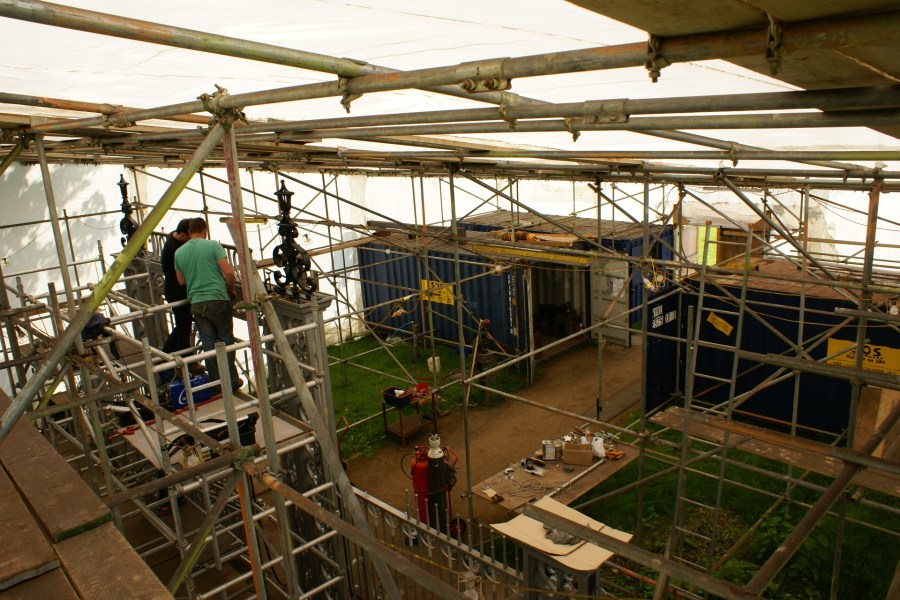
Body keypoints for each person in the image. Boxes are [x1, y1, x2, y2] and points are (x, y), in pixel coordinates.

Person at [174, 218, 242, 391]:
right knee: (226, 340)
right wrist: (231, 289)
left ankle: (216, 383)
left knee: (208, 344)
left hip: (196, 302)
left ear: (189, 232)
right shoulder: (213, 246)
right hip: (217, 298)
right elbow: (229, 273)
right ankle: (232, 381)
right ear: (204, 230)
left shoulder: (179, 252)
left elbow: (181, 281)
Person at [160, 219, 192, 358]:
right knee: (184, 326)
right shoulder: (174, 250)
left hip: (173, 290)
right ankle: (186, 358)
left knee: (183, 324)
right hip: (177, 291)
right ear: (183, 235)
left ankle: (166, 354)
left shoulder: (173, 236)